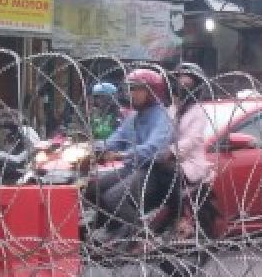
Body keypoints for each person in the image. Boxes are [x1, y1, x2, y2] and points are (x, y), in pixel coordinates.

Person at [92, 69, 175, 244]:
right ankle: (113, 227)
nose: (131, 94)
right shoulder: (135, 116)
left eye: (137, 89)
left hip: (153, 171)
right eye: (129, 89)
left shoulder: (161, 116)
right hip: (132, 168)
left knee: (114, 196)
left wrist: (122, 155)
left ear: (152, 91)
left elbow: (155, 148)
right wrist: (88, 147)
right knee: (92, 187)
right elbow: (116, 139)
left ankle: (143, 236)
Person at [165, 67, 216, 240]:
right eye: (179, 82)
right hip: (169, 161)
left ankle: (178, 219)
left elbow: (193, 139)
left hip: (189, 165)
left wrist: (170, 151)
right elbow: (163, 133)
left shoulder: (198, 112)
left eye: (187, 83)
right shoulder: (171, 109)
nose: (182, 86)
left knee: (167, 175)